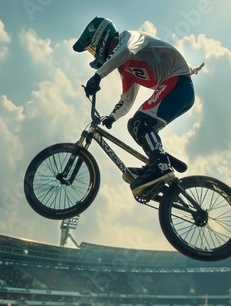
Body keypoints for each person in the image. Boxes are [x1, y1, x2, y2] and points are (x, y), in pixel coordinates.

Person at [73, 17, 203, 196]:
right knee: (134, 125)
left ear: (98, 38)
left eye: (90, 47)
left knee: (141, 122)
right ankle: (157, 164)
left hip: (179, 84)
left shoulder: (130, 37)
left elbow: (125, 50)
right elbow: (127, 99)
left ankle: (160, 164)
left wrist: (98, 76)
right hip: (176, 90)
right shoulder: (124, 67)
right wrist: (112, 116)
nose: (93, 53)